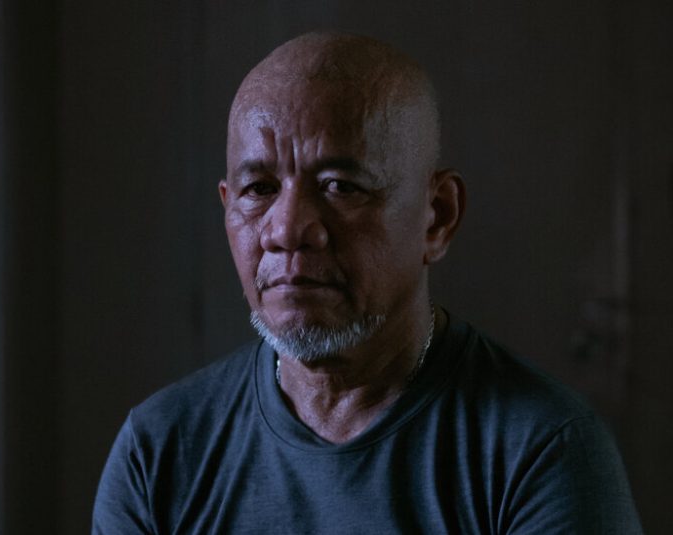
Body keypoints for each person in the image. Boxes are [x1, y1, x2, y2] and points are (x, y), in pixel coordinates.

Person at [93, 31, 642, 534]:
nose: (287, 230)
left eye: (340, 186)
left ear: (437, 216)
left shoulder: (541, 451)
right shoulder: (160, 452)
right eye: (258, 190)